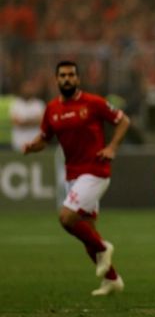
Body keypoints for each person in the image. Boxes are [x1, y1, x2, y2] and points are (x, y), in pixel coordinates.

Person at [24, 60, 130, 296]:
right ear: (56, 79)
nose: (67, 79)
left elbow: (123, 121)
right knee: (87, 231)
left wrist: (112, 147)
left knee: (67, 217)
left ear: (78, 79)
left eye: (71, 75)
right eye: (62, 75)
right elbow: (45, 137)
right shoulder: (52, 109)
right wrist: (34, 146)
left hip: (95, 171)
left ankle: (104, 248)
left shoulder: (93, 103)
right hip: (72, 174)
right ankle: (113, 279)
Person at [9, 81, 46, 152]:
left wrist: (24, 121)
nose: (28, 90)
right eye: (26, 87)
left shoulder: (39, 104)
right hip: (18, 144)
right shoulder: (15, 104)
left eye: (30, 87)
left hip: (36, 144)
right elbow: (16, 122)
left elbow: (41, 121)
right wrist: (33, 120)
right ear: (22, 89)